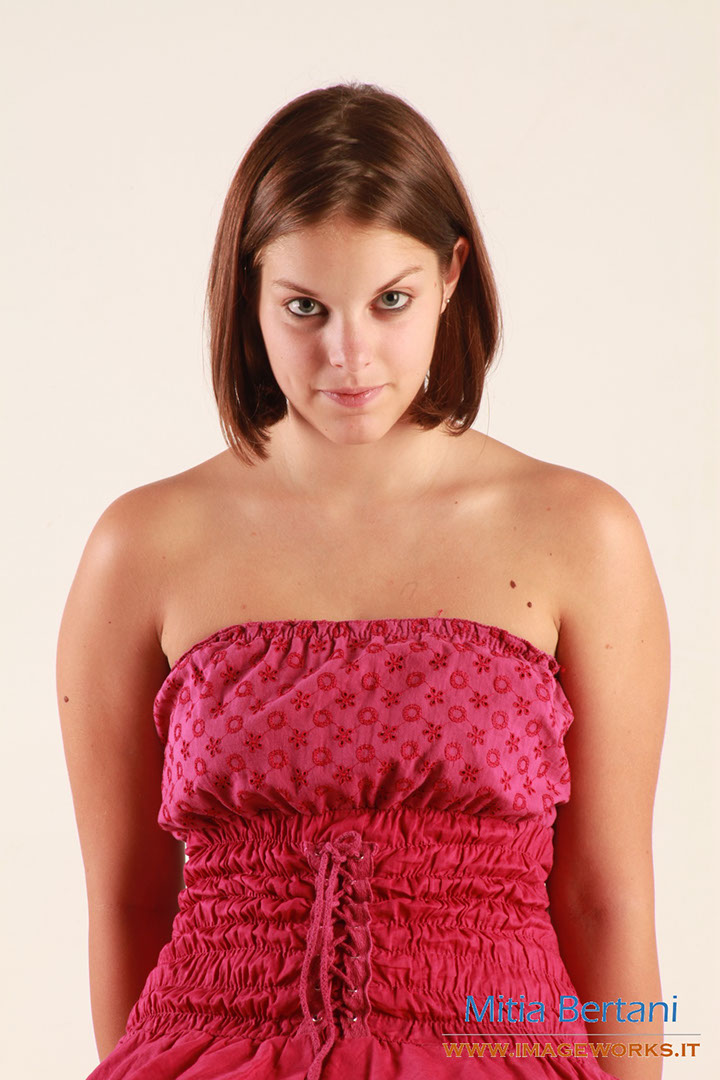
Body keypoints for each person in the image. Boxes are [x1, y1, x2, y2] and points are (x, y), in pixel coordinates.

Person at [57, 81, 669, 1080]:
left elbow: (607, 899)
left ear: (452, 276)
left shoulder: (579, 534)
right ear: (249, 294)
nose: (349, 358)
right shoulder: (141, 545)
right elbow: (127, 901)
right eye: (305, 307)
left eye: (391, 301)